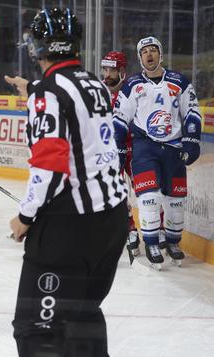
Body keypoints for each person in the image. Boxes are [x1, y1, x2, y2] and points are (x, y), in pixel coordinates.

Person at [5, 8, 128, 357]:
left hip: (69, 230)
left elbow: (49, 166)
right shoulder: (94, 84)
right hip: (111, 221)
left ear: (37, 47)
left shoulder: (49, 92)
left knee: (37, 330)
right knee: (82, 318)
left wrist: (25, 217)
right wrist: (33, 90)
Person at [112, 36, 201, 269]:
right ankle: (151, 242)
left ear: (160, 54)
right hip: (145, 147)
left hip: (173, 148)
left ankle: (172, 242)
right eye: (144, 52)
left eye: (153, 50)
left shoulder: (179, 81)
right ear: (140, 57)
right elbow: (120, 118)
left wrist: (192, 140)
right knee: (149, 197)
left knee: (175, 201)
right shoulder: (132, 85)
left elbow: (192, 111)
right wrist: (119, 149)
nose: (149, 54)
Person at [101, 51, 144, 256]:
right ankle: (129, 229)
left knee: (146, 190)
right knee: (115, 191)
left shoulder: (133, 91)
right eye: (105, 69)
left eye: (112, 70)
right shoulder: (99, 93)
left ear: (122, 72)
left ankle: (159, 232)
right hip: (111, 150)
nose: (107, 74)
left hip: (135, 147)